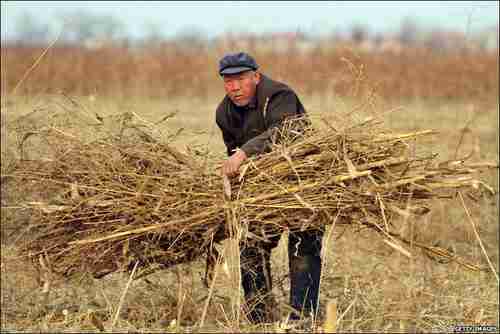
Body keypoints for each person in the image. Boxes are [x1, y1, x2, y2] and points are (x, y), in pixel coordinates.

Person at [215, 52, 323, 324]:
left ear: (256, 77)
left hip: (303, 182)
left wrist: (243, 154)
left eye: (240, 79)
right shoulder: (224, 113)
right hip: (263, 191)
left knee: (303, 250)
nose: (234, 88)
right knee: (250, 246)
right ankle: (259, 319)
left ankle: (302, 320)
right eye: (228, 81)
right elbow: (232, 153)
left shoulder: (279, 96)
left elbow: (284, 133)